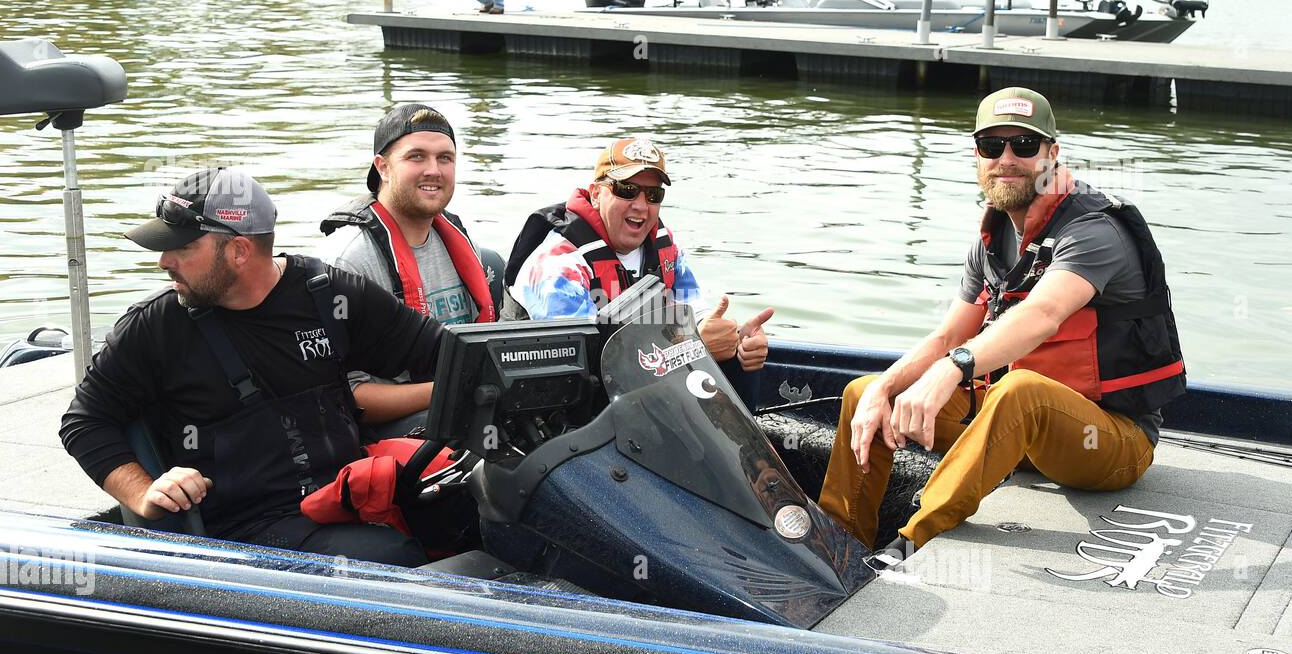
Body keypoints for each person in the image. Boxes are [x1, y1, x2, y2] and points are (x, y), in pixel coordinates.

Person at [819, 87, 1185, 553]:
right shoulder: (993, 238)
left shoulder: (1094, 230)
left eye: (1024, 146)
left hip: (1110, 442)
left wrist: (952, 368)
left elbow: (1044, 313)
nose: (1006, 158)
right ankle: (837, 547)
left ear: (1052, 155)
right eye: (992, 146)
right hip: (1017, 436)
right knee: (866, 392)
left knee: (1020, 390)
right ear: (977, 156)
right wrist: (884, 387)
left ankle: (909, 545)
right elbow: (951, 333)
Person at [60, 167, 447, 567]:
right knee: (395, 559)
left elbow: (446, 356)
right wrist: (144, 492)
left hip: (348, 496)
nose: (163, 261)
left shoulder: (331, 296)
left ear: (239, 251)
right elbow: (85, 422)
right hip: (246, 534)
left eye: (182, 248)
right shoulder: (154, 327)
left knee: (468, 513)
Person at [504, 136, 773, 380]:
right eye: (626, 189)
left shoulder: (666, 251)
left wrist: (736, 342)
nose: (641, 206)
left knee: (740, 368)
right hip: (565, 402)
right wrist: (695, 346)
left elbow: (693, 314)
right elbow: (584, 362)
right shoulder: (558, 265)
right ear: (597, 194)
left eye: (653, 195)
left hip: (639, 385)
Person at [320, 104, 494, 438]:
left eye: (445, 158)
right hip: (388, 434)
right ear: (382, 167)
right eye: (417, 157)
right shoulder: (346, 261)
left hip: (462, 404)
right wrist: (456, 385)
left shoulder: (457, 238)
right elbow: (344, 398)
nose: (434, 170)